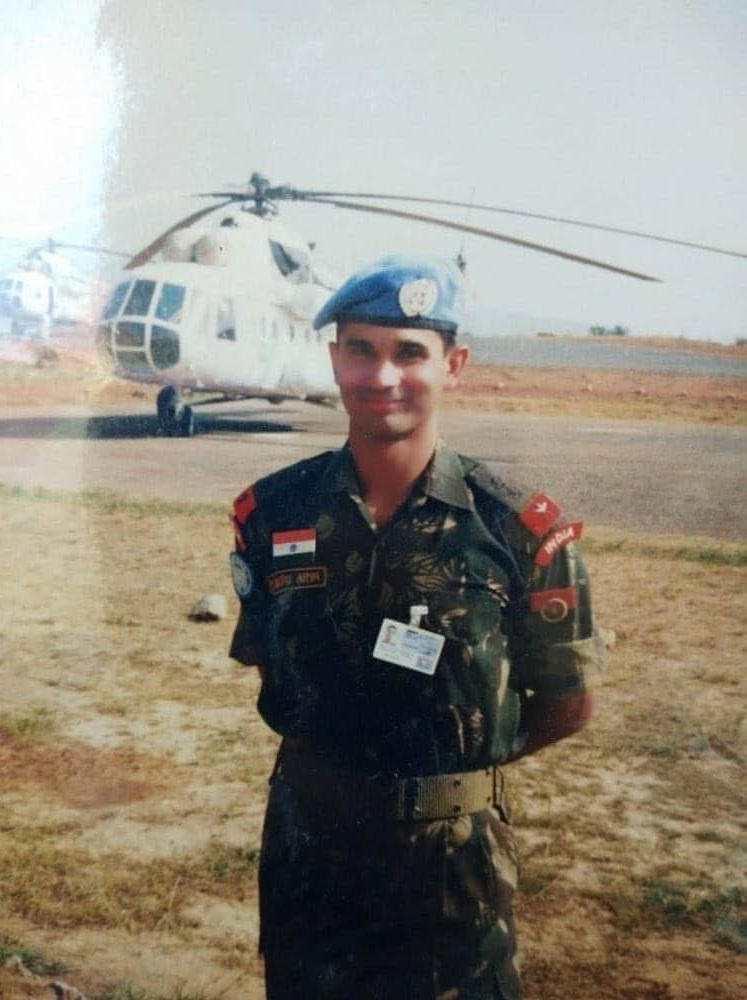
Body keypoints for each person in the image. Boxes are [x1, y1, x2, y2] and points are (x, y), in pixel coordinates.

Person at [228, 255, 602, 999]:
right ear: (334, 359)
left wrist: (443, 779)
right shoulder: (273, 512)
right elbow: (275, 670)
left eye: (409, 352)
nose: (382, 375)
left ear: (452, 365)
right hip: (309, 859)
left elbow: (568, 705)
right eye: (360, 350)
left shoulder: (518, 529)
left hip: (451, 874)